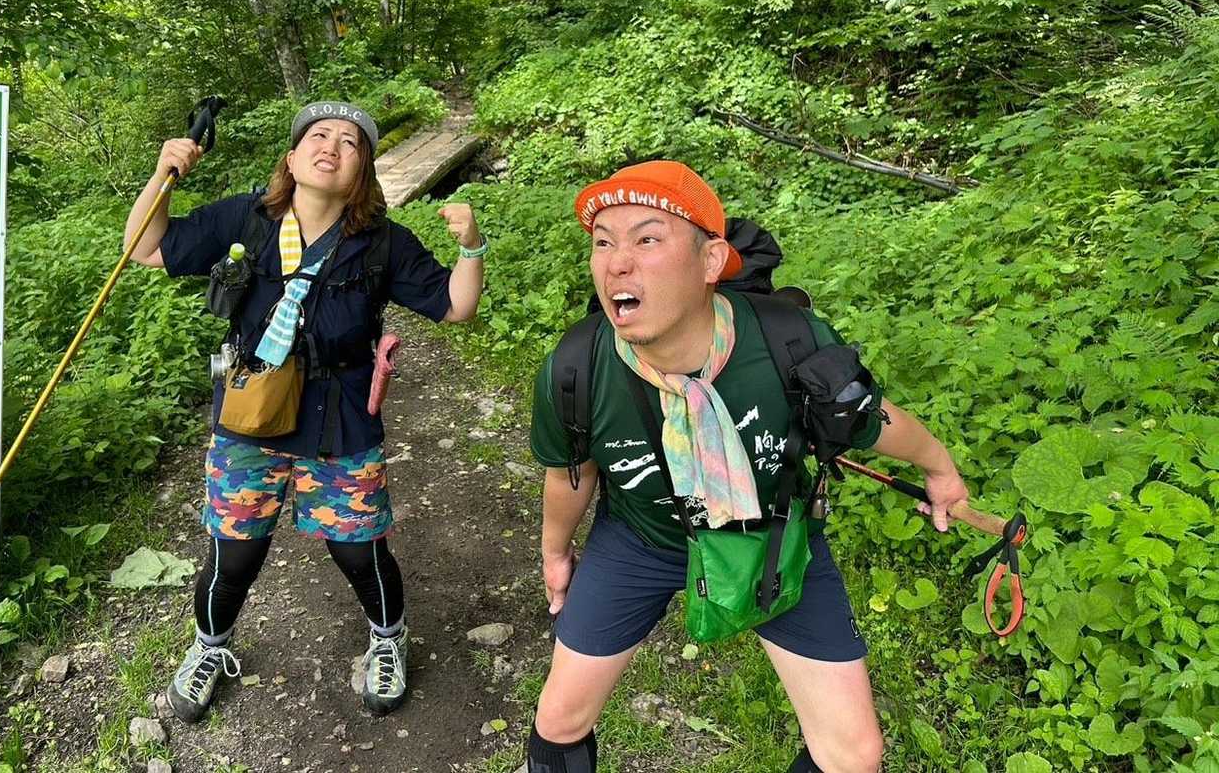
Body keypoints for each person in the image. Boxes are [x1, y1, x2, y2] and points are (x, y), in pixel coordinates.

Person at [525, 161, 969, 773]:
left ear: (711, 261)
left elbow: (869, 417)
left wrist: (940, 468)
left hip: (773, 536)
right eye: (603, 243)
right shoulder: (577, 368)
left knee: (854, 756)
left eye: (647, 239)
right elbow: (570, 474)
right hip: (641, 542)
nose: (617, 263)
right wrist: (555, 553)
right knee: (559, 721)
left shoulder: (786, 341)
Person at [124, 101, 487, 722]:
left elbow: (455, 307)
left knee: (358, 550)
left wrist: (473, 247)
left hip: (339, 416)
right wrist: (163, 176)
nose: (332, 147)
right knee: (234, 553)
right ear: (291, 159)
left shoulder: (382, 243)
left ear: (362, 172)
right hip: (250, 412)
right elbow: (144, 247)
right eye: (319, 135)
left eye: (350, 143)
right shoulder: (246, 218)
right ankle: (209, 647)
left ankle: (388, 640)